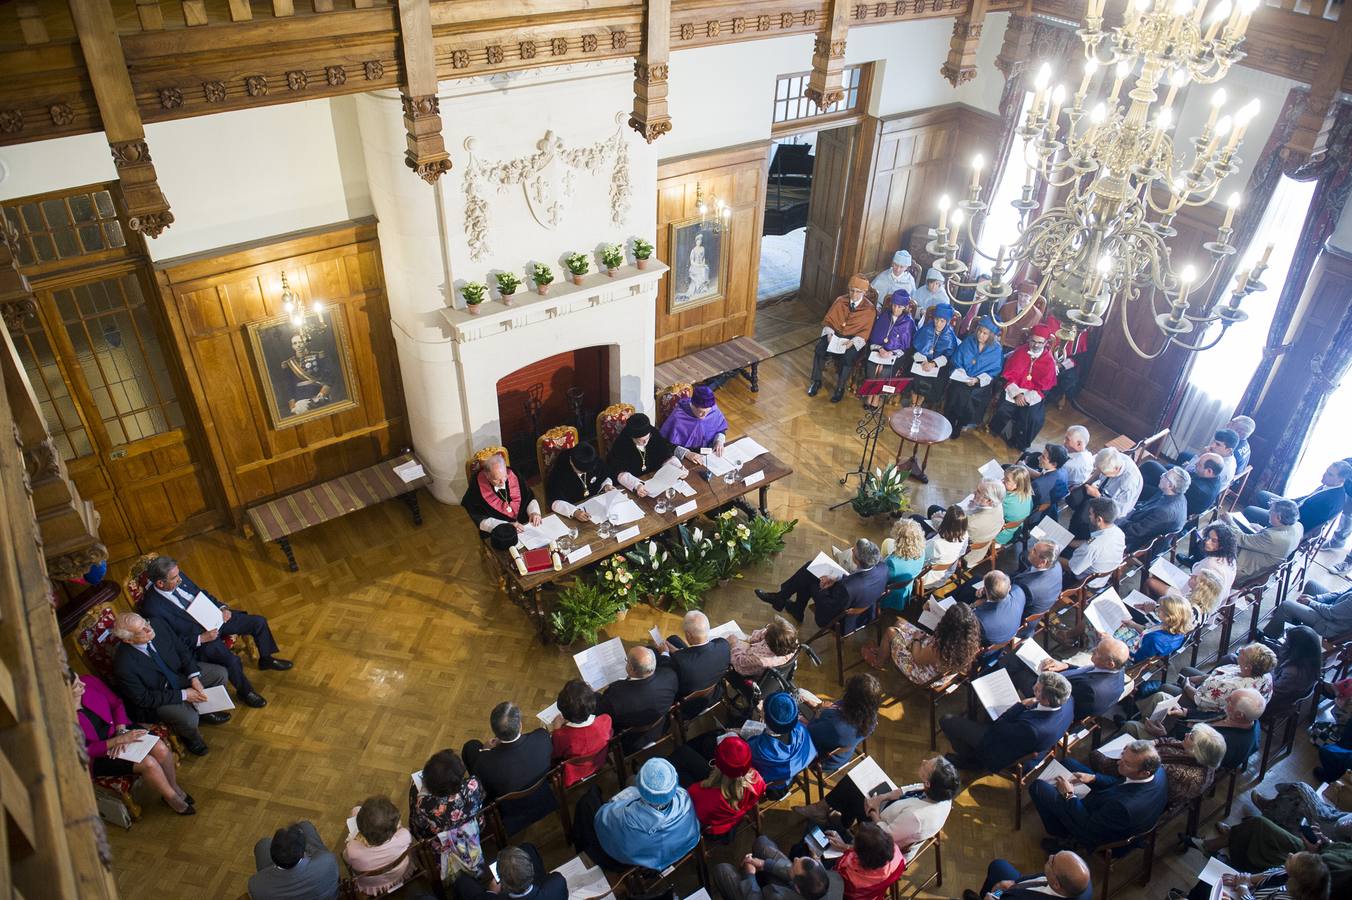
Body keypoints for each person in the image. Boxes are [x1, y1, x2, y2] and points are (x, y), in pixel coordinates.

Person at [138, 555, 290, 709]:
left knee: (259, 622)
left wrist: (222, 608)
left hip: (216, 617)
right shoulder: (153, 608)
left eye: (178, 574)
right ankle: (246, 692)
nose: (179, 579)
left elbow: (201, 593)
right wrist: (200, 638)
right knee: (232, 661)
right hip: (202, 639)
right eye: (175, 577)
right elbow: (171, 642)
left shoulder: (178, 577)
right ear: (160, 583)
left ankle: (266, 659)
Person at [69, 671, 193, 815]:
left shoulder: (89, 681)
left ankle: (174, 788)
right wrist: (115, 741)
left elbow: (117, 704)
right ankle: (172, 799)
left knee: (161, 748)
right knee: (149, 763)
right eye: (76, 686)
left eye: (78, 679)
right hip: (98, 754)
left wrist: (121, 731)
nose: (82, 684)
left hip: (119, 729)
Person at [110, 612, 230, 756]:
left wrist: (194, 677)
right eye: (141, 630)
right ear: (128, 640)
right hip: (160, 696)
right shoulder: (123, 665)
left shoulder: (157, 624)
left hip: (179, 675)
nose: (149, 629)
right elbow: (144, 698)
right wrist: (184, 695)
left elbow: (182, 650)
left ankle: (205, 711)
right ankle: (192, 739)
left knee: (220, 674)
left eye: (145, 623)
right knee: (189, 719)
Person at [796, 756, 959, 856]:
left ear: (928, 783)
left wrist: (873, 811)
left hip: (884, 835)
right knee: (853, 781)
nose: (923, 761)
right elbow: (908, 789)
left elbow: (886, 835)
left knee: (852, 791)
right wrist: (882, 797)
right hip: (891, 810)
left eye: (926, 765)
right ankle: (837, 817)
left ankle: (832, 815)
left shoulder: (916, 816)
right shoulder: (942, 791)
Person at [1030, 739, 1168, 851]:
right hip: (1107, 805)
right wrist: (1093, 778)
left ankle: (1062, 835)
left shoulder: (1123, 807)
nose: (1119, 762)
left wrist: (1069, 795)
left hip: (1092, 830)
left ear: (1144, 773)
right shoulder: (1158, 771)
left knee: (1038, 787)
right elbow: (1120, 783)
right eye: (1122, 756)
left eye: (1126, 763)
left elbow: (1088, 827)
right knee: (1068, 763)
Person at [940, 670, 1074, 774]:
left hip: (1000, 750)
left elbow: (998, 727)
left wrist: (1020, 705)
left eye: (1037, 690)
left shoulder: (1032, 729)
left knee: (946, 721)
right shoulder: (1069, 701)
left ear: (1046, 701)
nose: (1033, 688)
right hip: (1024, 739)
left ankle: (972, 760)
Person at [462, 701, 556, 835]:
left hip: (511, 809)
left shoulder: (484, 763)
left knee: (471, 746)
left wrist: (485, 750)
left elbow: (483, 787)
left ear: (495, 733)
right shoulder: (542, 737)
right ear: (520, 725)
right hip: (541, 795)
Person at [755, 539, 889, 631]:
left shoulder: (847, 588)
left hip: (840, 618)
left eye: (853, 551)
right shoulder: (883, 567)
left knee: (810, 574)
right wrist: (837, 578)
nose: (852, 549)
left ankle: (783, 600)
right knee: (811, 569)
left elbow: (827, 606)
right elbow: (858, 579)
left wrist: (823, 586)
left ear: (857, 560)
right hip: (858, 602)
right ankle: (791, 605)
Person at [592, 757, 699, 871]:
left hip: (646, 863)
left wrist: (618, 804)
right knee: (630, 780)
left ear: (641, 789)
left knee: (589, 802)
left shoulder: (626, 819)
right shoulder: (683, 796)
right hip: (683, 845)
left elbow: (601, 818)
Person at [1096, 723, 1226, 812]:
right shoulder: (1195, 754)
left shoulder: (1185, 775)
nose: (1186, 734)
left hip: (1144, 787)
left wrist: (1130, 754)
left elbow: (1145, 772)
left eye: (1191, 737)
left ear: (1197, 751)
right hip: (1147, 763)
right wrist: (1151, 742)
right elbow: (1168, 741)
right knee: (1131, 726)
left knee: (1097, 756)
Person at [862, 601, 981, 685]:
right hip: (937, 666)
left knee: (890, 632)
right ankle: (884, 650)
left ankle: (879, 661)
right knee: (899, 623)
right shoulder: (968, 643)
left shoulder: (939, 648)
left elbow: (917, 658)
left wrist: (916, 640)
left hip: (922, 671)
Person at [410, 749, 486, 877]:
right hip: (475, 827)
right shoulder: (473, 784)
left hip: (443, 842)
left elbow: (418, 828)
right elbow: (482, 798)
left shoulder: (424, 804)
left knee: (413, 790)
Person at [1013, 636, 1130, 719]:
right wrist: (1065, 666)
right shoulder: (1118, 669)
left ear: (1110, 664)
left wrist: (1046, 677)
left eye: (1098, 651)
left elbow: (1055, 699)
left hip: (1049, 699)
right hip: (1066, 686)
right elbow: (1086, 671)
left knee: (1016, 663)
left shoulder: (1090, 690)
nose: (1093, 650)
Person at [987, 324, 1058, 451]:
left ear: (1046, 343)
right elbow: (1008, 376)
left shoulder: (1049, 361)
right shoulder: (1020, 352)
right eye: (1033, 341)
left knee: (1034, 419)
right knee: (1004, 409)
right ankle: (996, 430)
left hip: (1033, 395)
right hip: (1014, 390)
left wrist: (1025, 398)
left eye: (1040, 343)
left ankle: (1020, 443)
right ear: (1029, 339)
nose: (1036, 345)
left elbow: (1044, 388)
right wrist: (1017, 394)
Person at [809, 275, 877, 402]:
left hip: (852, 340)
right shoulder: (840, 301)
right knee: (820, 349)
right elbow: (829, 321)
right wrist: (829, 334)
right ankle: (816, 381)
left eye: (858, 292)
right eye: (852, 290)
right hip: (834, 336)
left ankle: (840, 388)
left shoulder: (869, 309)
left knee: (848, 357)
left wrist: (853, 342)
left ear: (864, 292)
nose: (854, 294)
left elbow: (865, 333)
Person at [598, 646, 679, 753]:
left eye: (627, 661)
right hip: (661, 728)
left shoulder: (616, 695)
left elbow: (602, 714)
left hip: (631, 742)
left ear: (631, 669)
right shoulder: (670, 676)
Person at [711, 834, 841, 900]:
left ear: (797, 888)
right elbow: (795, 871)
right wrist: (764, 864)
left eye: (794, 865)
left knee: (723, 870)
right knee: (762, 842)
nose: (794, 859)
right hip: (785, 889)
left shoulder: (777, 897)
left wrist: (749, 875)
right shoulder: (834, 880)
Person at [1242, 461, 1352, 535]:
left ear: (1341, 480)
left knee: (1249, 510)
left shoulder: (1331, 500)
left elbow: (1304, 522)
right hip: (1295, 510)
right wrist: (1284, 502)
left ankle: (1263, 533)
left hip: (1291, 523)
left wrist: (1280, 510)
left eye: (1330, 474)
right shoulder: (1329, 486)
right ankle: (1261, 527)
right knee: (1262, 495)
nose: (1324, 475)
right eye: (1326, 471)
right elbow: (1305, 499)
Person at [687, 735, 766, 837]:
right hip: (735, 817)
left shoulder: (698, 794)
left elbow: (697, 816)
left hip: (714, 832)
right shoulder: (758, 781)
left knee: (685, 757)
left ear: (717, 761)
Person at [657, 610, 732, 716]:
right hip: (713, 694)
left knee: (656, 654)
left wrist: (664, 653)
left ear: (689, 635)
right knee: (673, 639)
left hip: (688, 705)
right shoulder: (723, 645)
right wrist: (677, 652)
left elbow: (668, 670)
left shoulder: (679, 662)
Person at [807, 672, 882, 773]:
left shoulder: (836, 726)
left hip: (822, 760)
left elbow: (809, 731)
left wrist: (819, 710)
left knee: (799, 698)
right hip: (842, 755)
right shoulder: (871, 716)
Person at [248, 820, 340, 900]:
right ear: (303, 852)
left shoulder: (256, 885)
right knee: (305, 825)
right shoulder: (328, 862)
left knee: (263, 844)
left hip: (275, 881)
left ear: (272, 855)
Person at [343, 796, 414, 896]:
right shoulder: (403, 837)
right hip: (399, 874)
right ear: (394, 829)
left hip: (373, 884)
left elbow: (347, 859)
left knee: (355, 810)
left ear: (361, 830)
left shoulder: (353, 850)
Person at [943, 317, 1004, 431]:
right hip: (962, 378)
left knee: (972, 396)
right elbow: (957, 360)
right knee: (958, 391)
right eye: (979, 331)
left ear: (991, 335)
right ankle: (950, 420)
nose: (981, 335)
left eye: (985, 333)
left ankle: (962, 423)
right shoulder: (969, 340)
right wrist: (963, 375)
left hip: (980, 383)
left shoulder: (996, 349)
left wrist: (977, 379)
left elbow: (994, 371)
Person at [1067, 447, 1143, 538]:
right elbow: (1098, 472)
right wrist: (1086, 484)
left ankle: (1078, 538)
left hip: (1113, 509)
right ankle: (1072, 530)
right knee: (1073, 498)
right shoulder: (1114, 458)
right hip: (1101, 491)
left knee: (1082, 518)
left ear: (1116, 469)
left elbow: (1119, 511)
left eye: (1104, 472)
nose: (1101, 473)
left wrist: (1098, 496)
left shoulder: (1129, 483)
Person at [549, 679, 612, 786]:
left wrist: (556, 729)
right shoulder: (605, 720)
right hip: (598, 763)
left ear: (563, 713)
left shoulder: (560, 736)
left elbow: (555, 755)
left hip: (572, 775)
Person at [750, 691, 817, 787]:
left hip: (770, 787)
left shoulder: (759, 748)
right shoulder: (801, 730)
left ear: (765, 717)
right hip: (790, 775)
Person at [1226, 499, 1303, 582]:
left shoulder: (1272, 537)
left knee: (1221, 534)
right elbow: (1277, 542)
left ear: (1278, 517)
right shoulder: (1298, 526)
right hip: (1262, 559)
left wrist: (1230, 521)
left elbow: (1242, 539)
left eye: (1271, 511)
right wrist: (1262, 530)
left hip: (1245, 568)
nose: (1269, 512)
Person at [1116, 466, 1190, 553]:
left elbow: (1136, 531)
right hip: (1137, 522)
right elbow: (1145, 506)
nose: (1161, 476)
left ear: (1170, 485)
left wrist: (1117, 519)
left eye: (1165, 475)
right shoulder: (1177, 495)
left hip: (1136, 543)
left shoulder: (1164, 512)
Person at [963, 851, 1093, 900]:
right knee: (998, 866)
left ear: (1056, 884)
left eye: (1052, 861)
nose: (1050, 856)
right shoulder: (1079, 882)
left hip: (1017, 895)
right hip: (1017, 887)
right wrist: (1015, 884)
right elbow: (1040, 879)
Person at [463, 452, 541, 532]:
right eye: (496, 479)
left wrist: (534, 512)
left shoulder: (513, 474)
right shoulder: (476, 488)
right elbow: (480, 517)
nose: (502, 482)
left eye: (504, 476)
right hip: (499, 531)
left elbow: (529, 497)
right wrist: (506, 527)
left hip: (525, 524)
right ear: (487, 475)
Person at [455, 844, 566, 900]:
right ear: (531, 869)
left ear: (503, 884)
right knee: (527, 847)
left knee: (462, 882)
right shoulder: (557, 883)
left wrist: (491, 893)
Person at [606, 413, 680, 494]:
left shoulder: (652, 433)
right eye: (641, 440)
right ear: (632, 437)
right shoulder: (622, 444)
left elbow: (665, 453)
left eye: (647, 438)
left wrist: (678, 468)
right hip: (635, 483)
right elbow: (619, 472)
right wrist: (637, 485)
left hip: (655, 479)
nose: (646, 442)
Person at [831, 821, 905, 900]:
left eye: (854, 842)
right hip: (876, 894)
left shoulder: (848, 872)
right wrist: (847, 847)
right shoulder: (897, 853)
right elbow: (874, 850)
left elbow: (834, 880)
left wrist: (817, 861)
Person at [1168, 521, 1239, 600]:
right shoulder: (1231, 559)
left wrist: (1191, 582)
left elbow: (1196, 592)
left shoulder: (1210, 564)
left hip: (1190, 602)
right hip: (1216, 601)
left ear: (1223, 545)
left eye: (1214, 541)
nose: (1207, 542)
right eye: (1208, 537)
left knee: (1153, 581)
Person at [1263, 578, 1352, 641]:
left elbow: (1330, 613)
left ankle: (1269, 639)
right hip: (1335, 607)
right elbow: (1341, 593)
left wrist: (1310, 602)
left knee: (1286, 606)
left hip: (1330, 624)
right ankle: (1293, 625)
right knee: (1312, 585)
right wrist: (1316, 598)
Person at [1064, 497, 1126, 587]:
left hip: (1083, 582)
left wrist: (1055, 557)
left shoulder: (1092, 547)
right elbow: (1089, 541)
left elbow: (1071, 568)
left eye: (1090, 514)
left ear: (1099, 519)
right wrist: (1068, 542)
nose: (1089, 516)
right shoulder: (1118, 533)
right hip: (1102, 577)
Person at [1119, 591, 1195, 663]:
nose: (1157, 609)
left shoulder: (1154, 640)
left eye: (1160, 608)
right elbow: (1149, 631)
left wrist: (1117, 644)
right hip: (1141, 644)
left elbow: (1136, 658)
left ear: (1169, 617)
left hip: (1130, 656)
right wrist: (1134, 625)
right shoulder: (1175, 628)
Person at [660, 385, 730, 463]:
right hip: (686, 457)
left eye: (707, 412)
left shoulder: (713, 410)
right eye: (701, 412)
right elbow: (666, 444)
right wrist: (687, 453)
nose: (704, 416)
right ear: (693, 405)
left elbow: (721, 429)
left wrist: (719, 441)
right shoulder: (678, 416)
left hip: (709, 453)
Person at [862, 289, 916, 391]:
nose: (895, 309)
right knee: (872, 368)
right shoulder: (884, 316)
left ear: (905, 307)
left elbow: (906, 346)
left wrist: (891, 353)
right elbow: (874, 337)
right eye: (894, 305)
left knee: (884, 372)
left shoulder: (908, 322)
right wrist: (880, 349)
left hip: (895, 354)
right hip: (878, 350)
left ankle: (876, 397)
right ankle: (870, 393)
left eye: (899, 307)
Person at [906, 303, 957, 406]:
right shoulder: (926, 329)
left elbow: (948, 356)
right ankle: (913, 401)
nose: (938, 323)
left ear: (947, 322)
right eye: (936, 319)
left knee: (934, 379)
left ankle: (920, 402)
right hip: (921, 361)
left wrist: (933, 364)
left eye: (942, 321)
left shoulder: (950, 337)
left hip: (937, 366)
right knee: (914, 374)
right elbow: (915, 348)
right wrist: (923, 361)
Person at [546, 443, 614, 520]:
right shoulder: (560, 470)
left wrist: (606, 485)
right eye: (581, 471)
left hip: (595, 507)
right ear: (571, 462)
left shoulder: (592, 458)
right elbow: (554, 499)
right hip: (572, 509)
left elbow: (604, 474)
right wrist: (574, 512)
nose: (585, 473)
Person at [280, 333, 337, 415]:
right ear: (292, 346)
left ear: (305, 342)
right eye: (295, 343)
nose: (298, 345)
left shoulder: (318, 356)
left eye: (300, 342)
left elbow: (329, 376)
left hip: (318, 393)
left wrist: (323, 393)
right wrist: (292, 404)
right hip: (300, 398)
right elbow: (289, 385)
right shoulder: (289, 363)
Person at [1014, 540, 1065, 630]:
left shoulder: (1028, 586)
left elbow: (1013, 605)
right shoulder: (1056, 565)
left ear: (1043, 562)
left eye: (1034, 551)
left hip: (1020, 624)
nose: (1030, 550)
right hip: (1041, 604)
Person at [878, 518, 925, 612]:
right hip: (907, 587)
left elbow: (882, 578)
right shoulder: (922, 552)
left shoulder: (893, 562)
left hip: (891, 593)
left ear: (898, 539)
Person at [730, 616, 800, 679]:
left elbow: (738, 664)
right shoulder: (792, 642)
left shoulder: (759, 660)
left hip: (751, 675)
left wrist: (734, 644)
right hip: (775, 675)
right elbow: (753, 639)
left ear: (768, 641)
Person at [971, 570, 1026, 647]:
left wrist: (973, 605)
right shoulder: (1019, 593)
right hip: (1008, 635)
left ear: (986, 590)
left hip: (986, 647)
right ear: (1009, 588)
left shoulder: (979, 618)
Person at [921, 505, 969, 588]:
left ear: (945, 521)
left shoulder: (936, 543)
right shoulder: (965, 535)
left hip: (929, 578)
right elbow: (962, 552)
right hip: (948, 572)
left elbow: (919, 559)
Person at [962, 479, 1008, 565]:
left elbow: (951, 534)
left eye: (979, 492)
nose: (974, 492)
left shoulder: (971, 523)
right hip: (980, 551)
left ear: (989, 501)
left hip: (965, 556)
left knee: (933, 509)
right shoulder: (999, 506)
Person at [1031, 443, 1071, 518]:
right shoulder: (1063, 471)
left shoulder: (1037, 485)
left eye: (1043, 457)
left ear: (1054, 464)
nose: (1039, 458)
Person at [997, 465, 1035, 545]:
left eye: (1007, 480)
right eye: (1004, 477)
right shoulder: (1028, 495)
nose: (1002, 480)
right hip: (1016, 529)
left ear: (1017, 485)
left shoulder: (1006, 501)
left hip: (1000, 535)